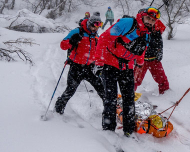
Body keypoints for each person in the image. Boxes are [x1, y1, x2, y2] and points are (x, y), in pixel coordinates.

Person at [93, 7, 159, 137]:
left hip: (127, 68)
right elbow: (104, 39)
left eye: (153, 20)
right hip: (110, 64)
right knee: (110, 99)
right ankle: (108, 129)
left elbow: (141, 49)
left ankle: (128, 130)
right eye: (148, 19)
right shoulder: (128, 23)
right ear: (142, 16)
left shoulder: (147, 33)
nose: (150, 22)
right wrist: (99, 63)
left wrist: (140, 63)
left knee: (129, 99)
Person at [55, 14, 105, 114]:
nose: (96, 28)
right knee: (70, 90)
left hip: (90, 68)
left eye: (98, 26)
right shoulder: (77, 32)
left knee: (102, 90)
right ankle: (59, 108)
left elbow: (98, 50)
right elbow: (63, 45)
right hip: (76, 67)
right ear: (90, 23)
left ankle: (109, 110)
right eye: (95, 26)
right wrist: (71, 41)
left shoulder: (95, 35)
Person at [134, 19, 169, 94]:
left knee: (162, 79)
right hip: (141, 60)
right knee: (134, 80)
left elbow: (159, 43)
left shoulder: (156, 31)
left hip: (154, 60)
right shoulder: (140, 30)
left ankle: (166, 96)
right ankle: (128, 95)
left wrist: (160, 52)